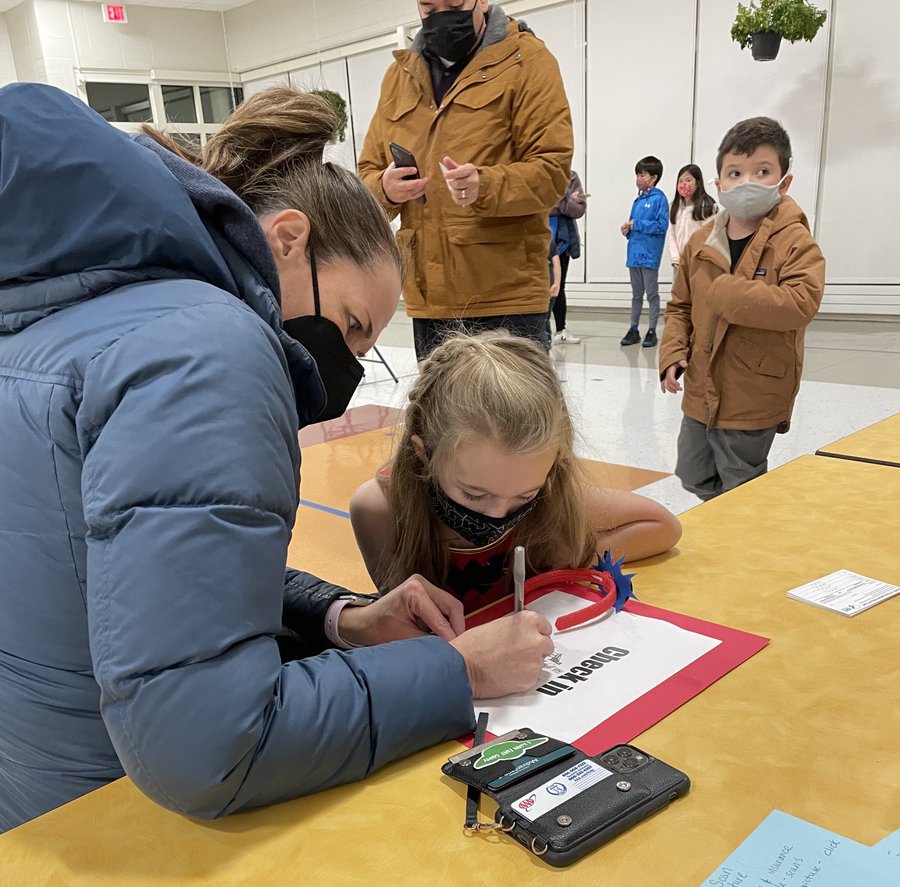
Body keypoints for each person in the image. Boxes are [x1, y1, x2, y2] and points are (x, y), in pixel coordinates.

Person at [0, 83, 554, 833]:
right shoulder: (207, 350)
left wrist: (341, 619)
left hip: (40, 813)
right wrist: (458, 670)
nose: (350, 363)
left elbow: (143, 579)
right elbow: (208, 748)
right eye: (354, 325)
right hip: (137, 826)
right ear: (288, 238)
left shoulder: (54, 318)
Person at [349, 333, 682, 614]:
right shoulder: (381, 510)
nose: (497, 514)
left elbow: (663, 526)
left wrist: (566, 559)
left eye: (525, 496)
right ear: (425, 455)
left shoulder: (551, 497)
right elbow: (405, 623)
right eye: (474, 494)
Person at [357, 0, 573, 360]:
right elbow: (367, 173)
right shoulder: (398, 77)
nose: (441, 14)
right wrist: (385, 188)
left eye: (454, 3)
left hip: (507, 297)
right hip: (430, 300)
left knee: (517, 416)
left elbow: (552, 171)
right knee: (440, 416)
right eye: (428, 5)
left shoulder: (528, 61)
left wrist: (485, 186)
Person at [659, 117, 826, 501]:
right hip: (701, 386)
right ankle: (728, 517)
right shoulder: (701, 242)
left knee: (741, 481)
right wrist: (671, 352)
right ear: (718, 184)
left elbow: (802, 302)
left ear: (784, 183)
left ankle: (741, 536)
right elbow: (680, 306)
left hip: (754, 390)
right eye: (735, 172)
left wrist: (729, 293)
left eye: (762, 171)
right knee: (693, 472)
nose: (747, 181)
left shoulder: (794, 241)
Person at [620, 156, 668, 350]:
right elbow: (634, 225)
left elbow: (661, 225)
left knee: (652, 294)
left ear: (654, 177)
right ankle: (633, 329)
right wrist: (627, 230)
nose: (639, 178)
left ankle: (652, 330)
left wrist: (637, 224)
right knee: (636, 294)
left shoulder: (659, 199)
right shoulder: (637, 200)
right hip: (634, 253)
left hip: (649, 255)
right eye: (637, 174)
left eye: (642, 174)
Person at [549, 169, 587, 344]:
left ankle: (560, 330)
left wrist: (559, 202)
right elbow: (536, 204)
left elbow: (579, 209)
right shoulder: (540, 172)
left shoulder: (571, 176)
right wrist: (567, 200)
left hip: (563, 241)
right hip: (540, 238)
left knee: (559, 285)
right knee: (541, 286)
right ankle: (541, 329)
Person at [666, 164, 717, 275]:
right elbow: (671, 234)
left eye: (688, 180)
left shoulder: (706, 206)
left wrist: (699, 256)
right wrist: (675, 258)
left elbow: (709, 235)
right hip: (679, 262)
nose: (684, 184)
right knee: (679, 291)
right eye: (680, 181)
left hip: (700, 261)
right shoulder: (674, 207)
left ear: (697, 183)